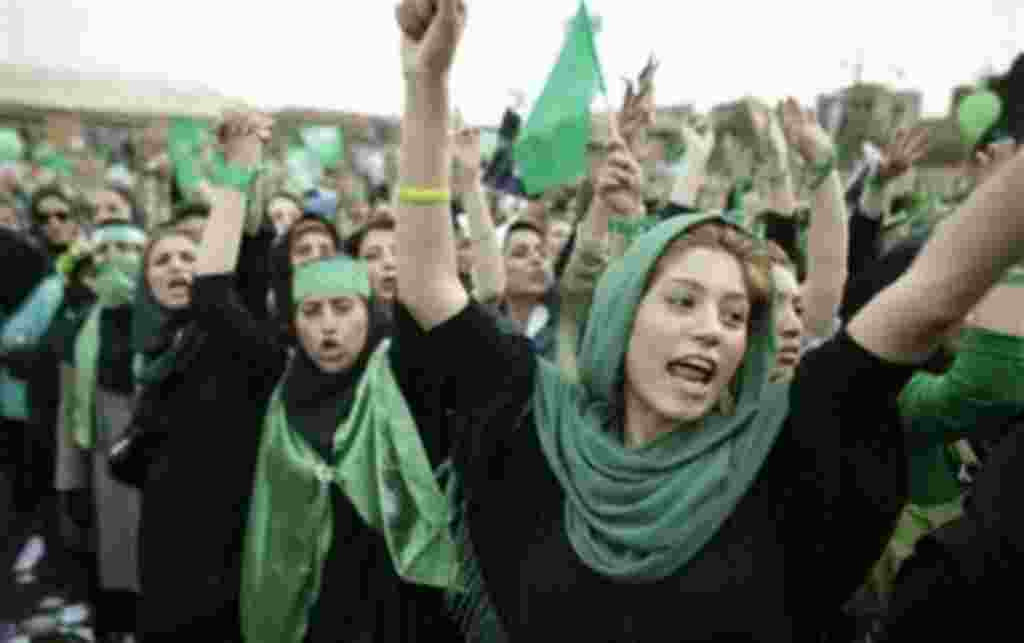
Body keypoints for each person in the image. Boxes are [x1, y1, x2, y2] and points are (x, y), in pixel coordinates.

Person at [391, 2, 1024, 639]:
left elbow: (929, 299)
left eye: (736, 315)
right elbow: (427, 283)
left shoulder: (780, 452)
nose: (711, 329)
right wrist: (426, 84)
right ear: (621, 315)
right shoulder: (538, 427)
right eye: (683, 301)